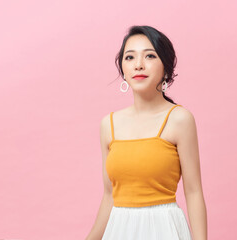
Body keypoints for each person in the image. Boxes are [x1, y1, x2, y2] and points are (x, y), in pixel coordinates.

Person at [86, 25, 207, 240]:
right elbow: (109, 197)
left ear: (166, 68)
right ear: (122, 68)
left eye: (150, 56)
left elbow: (194, 192)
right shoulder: (109, 125)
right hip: (119, 231)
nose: (138, 65)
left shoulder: (179, 119)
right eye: (130, 58)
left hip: (165, 230)